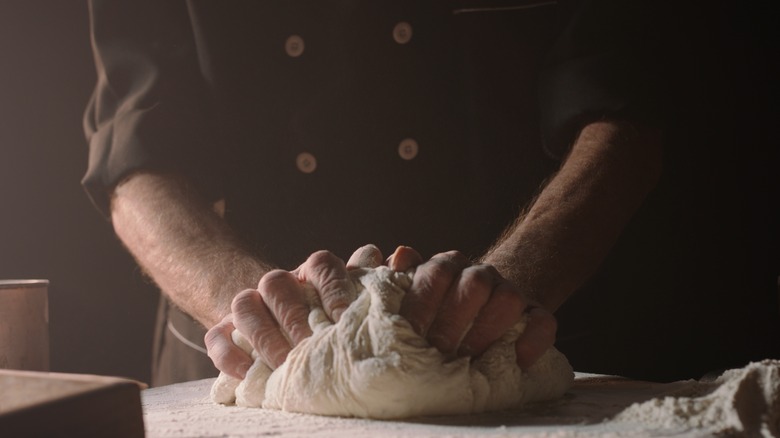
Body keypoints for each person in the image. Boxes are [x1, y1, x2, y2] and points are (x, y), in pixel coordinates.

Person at [82, 0, 779, 386]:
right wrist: (262, 307)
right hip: (241, 361)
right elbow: (137, 152)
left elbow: (626, 101)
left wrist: (506, 289)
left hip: (534, 344)